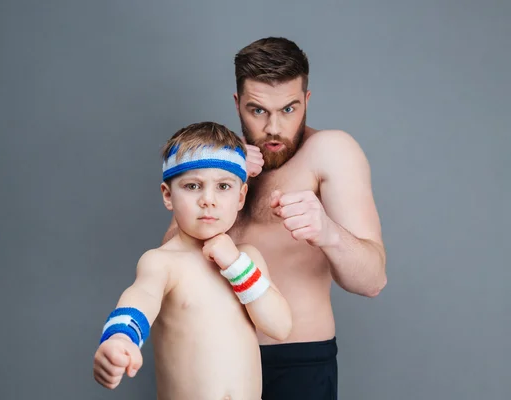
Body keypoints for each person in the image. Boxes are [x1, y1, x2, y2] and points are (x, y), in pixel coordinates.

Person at [162, 37, 387, 399]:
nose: (273, 128)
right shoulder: (220, 160)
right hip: (212, 364)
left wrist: (328, 232)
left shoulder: (330, 151)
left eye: (288, 109)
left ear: (307, 101)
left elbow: (373, 280)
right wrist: (231, 177)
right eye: (258, 111)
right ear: (238, 104)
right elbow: (169, 260)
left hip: (295, 363)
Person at [93, 121, 292, 400]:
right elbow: (141, 298)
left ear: (241, 196)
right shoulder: (163, 262)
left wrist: (235, 265)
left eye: (223, 186)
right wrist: (119, 338)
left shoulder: (248, 259)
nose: (208, 200)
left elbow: (280, 326)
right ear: (168, 195)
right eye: (193, 186)